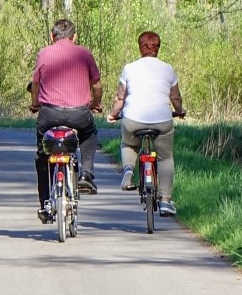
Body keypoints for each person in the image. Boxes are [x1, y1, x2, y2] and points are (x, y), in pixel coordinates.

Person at [29, 18, 101, 223]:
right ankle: (86, 173)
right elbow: (97, 85)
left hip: (49, 114)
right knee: (88, 134)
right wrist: (95, 103)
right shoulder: (84, 53)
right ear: (74, 36)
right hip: (79, 113)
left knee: (43, 154)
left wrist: (35, 104)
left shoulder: (44, 53)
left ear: (52, 36)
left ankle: (44, 203)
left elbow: (35, 83)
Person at [111, 30, 184, 217]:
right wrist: (180, 111)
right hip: (162, 120)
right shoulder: (168, 69)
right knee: (165, 157)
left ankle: (128, 173)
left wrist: (113, 114)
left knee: (128, 143)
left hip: (133, 119)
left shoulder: (129, 68)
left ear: (140, 47)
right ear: (157, 48)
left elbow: (121, 98)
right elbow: (175, 97)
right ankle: (166, 200)